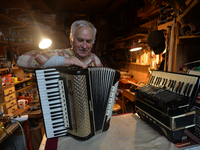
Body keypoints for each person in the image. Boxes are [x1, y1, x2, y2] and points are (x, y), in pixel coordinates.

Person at [17, 20, 122, 99]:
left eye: (88, 41)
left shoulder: (95, 59)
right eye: (80, 40)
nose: (84, 46)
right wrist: (66, 61)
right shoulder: (59, 54)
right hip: (61, 116)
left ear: (93, 42)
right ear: (71, 39)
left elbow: (98, 86)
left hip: (89, 115)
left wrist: (108, 92)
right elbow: (21, 61)